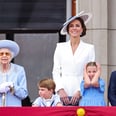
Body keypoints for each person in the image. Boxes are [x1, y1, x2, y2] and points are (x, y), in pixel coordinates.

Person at [52, 11, 95, 106]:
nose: (74, 28)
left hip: (82, 92)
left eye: (77, 25)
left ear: (82, 29)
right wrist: (60, 89)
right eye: (71, 26)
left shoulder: (89, 48)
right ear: (68, 29)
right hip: (63, 92)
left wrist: (80, 90)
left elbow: (90, 73)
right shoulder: (60, 47)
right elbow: (56, 71)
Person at [0, 39, 28, 106]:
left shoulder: (19, 70)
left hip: (14, 110)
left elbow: (24, 94)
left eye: (7, 54)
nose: (4, 56)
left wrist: (13, 87)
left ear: (11, 56)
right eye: (1, 54)